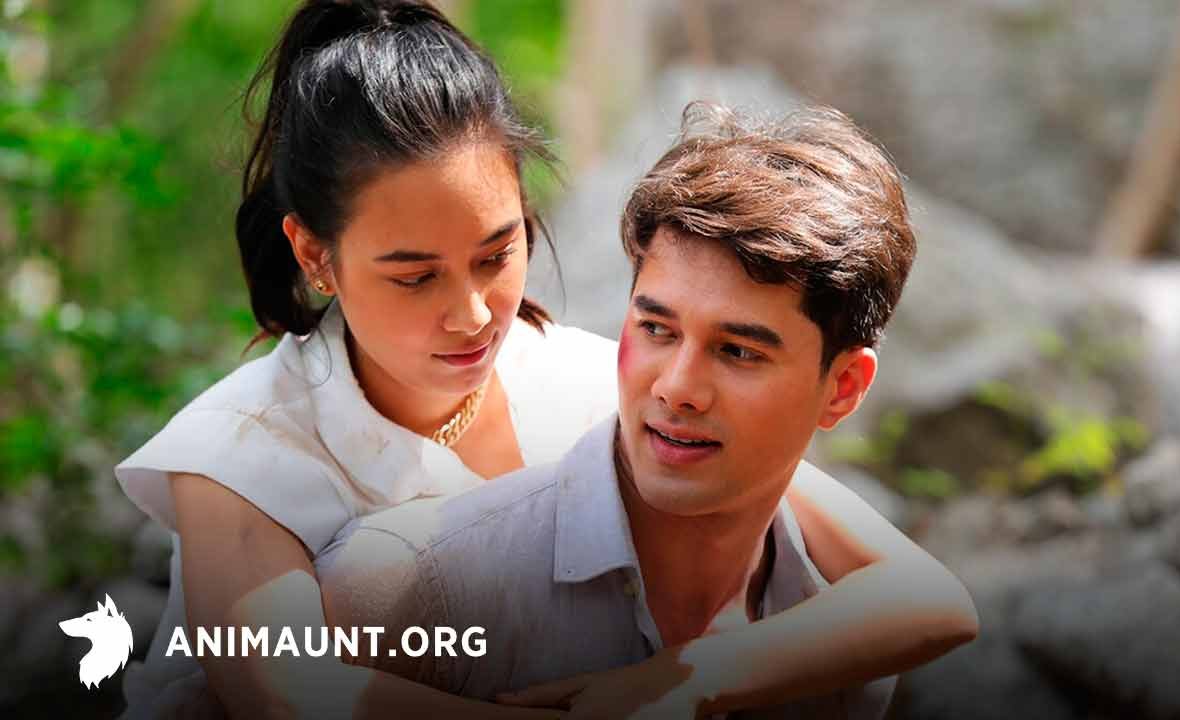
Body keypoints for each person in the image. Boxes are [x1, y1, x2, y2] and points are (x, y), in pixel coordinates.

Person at [114, 2, 977, 718]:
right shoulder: (242, 450)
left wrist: (692, 678)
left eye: (497, 253)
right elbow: (289, 694)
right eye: (415, 276)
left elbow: (921, 595)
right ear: (315, 255)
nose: (472, 313)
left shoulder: (599, 378)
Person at [316, 103, 971, 718]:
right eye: (657, 329)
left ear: (844, 388)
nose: (677, 388)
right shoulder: (414, 584)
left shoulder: (843, 648)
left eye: (738, 352)